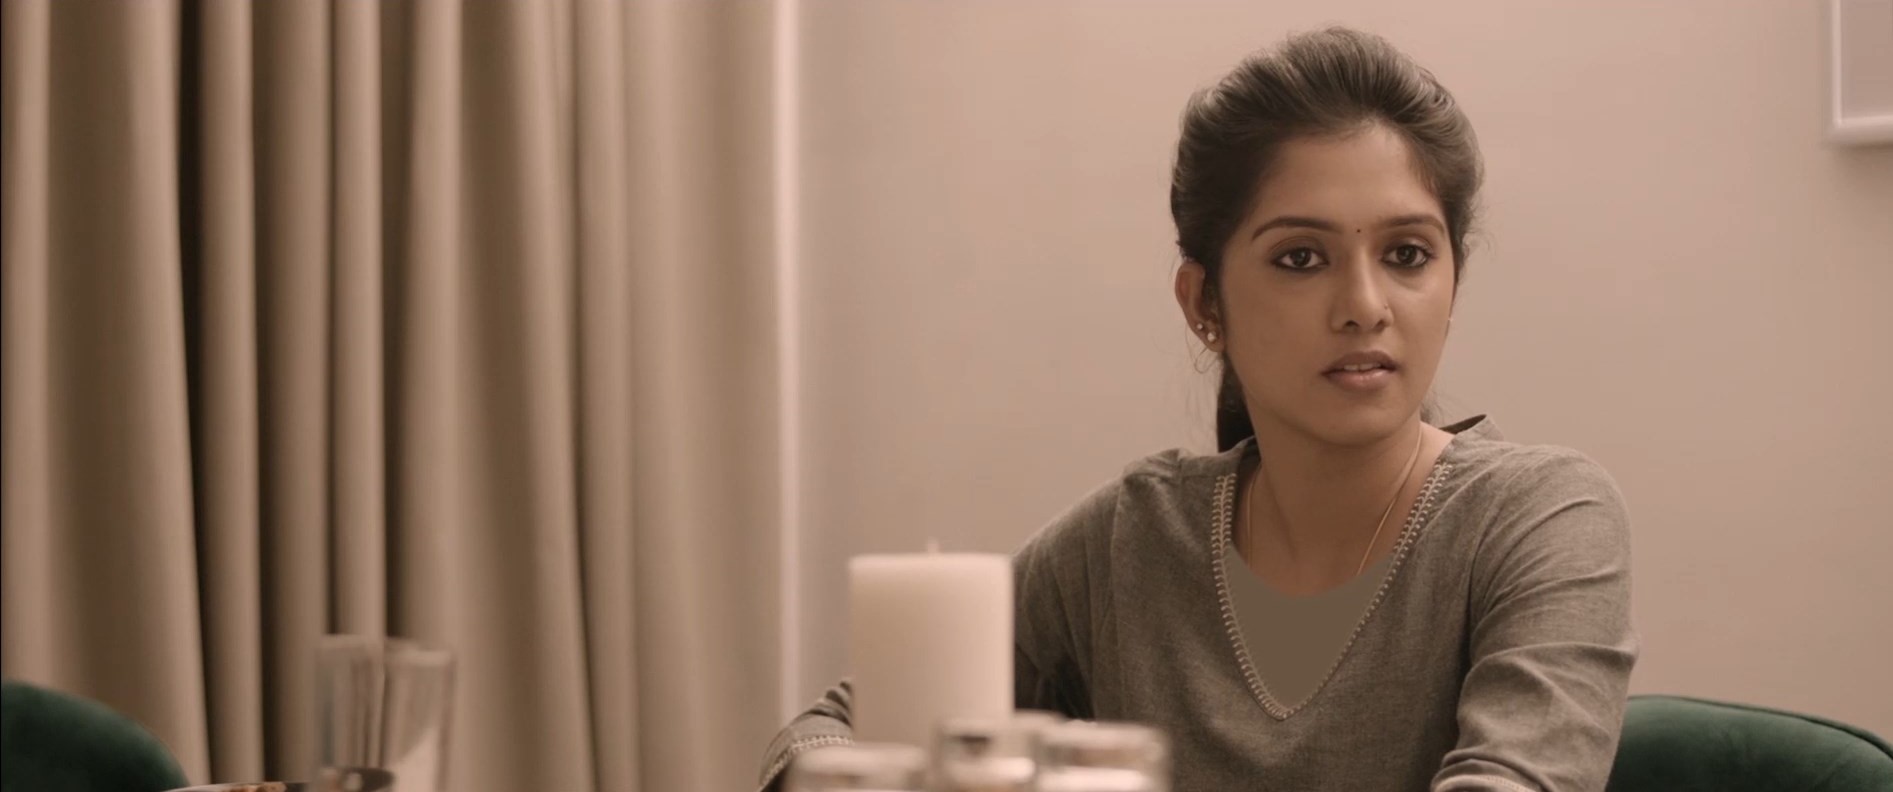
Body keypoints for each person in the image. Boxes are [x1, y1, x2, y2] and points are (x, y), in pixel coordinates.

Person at [760, 26, 1636, 792]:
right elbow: (828, 731)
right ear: (1203, 302)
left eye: (1406, 254)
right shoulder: (1129, 544)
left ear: (1452, 285)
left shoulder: (1535, 517)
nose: (1365, 306)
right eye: (1301, 258)